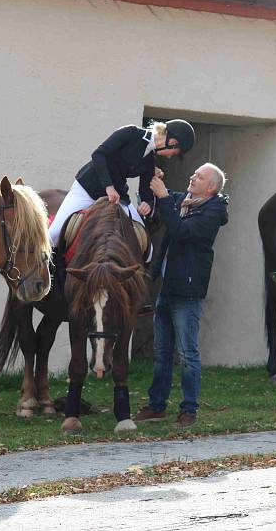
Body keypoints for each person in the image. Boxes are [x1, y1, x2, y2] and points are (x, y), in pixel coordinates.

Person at [133, 163, 229, 428]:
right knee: (162, 352)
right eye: (193, 172)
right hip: (168, 288)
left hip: (187, 292)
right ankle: (156, 406)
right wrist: (154, 181)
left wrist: (163, 197)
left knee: (187, 353)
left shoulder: (211, 213)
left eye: (198, 176)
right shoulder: (185, 201)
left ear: (210, 187)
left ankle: (189, 410)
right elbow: (163, 199)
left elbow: (179, 230)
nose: (192, 176)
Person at [47, 119, 195, 258]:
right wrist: (108, 186)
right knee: (53, 234)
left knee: (147, 249)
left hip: (117, 197)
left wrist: (146, 204)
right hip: (88, 188)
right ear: (172, 142)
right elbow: (98, 154)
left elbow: (146, 193)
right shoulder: (130, 132)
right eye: (174, 153)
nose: (170, 157)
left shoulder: (150, 160)